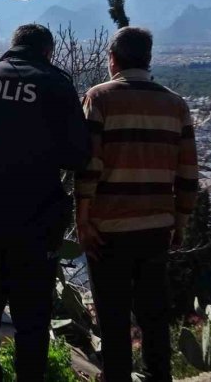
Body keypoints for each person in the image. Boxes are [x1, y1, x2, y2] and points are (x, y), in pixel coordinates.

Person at [0, 23, 90, 381]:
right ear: (47, 52)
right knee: (31, 319)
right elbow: (78, 155)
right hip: (34, 223)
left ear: (12, 47)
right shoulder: (56, 85)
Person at [75, 26, 198, 382]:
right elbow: (188, 172)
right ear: (148, 59)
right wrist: (181, 221)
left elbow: (89, 166)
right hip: (156, 227)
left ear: (112, 59)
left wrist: (83, 220)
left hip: (107, 229)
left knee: (113, 316)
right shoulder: (176, 105)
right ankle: (158, 376)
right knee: (153, 314)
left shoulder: (99, 98)